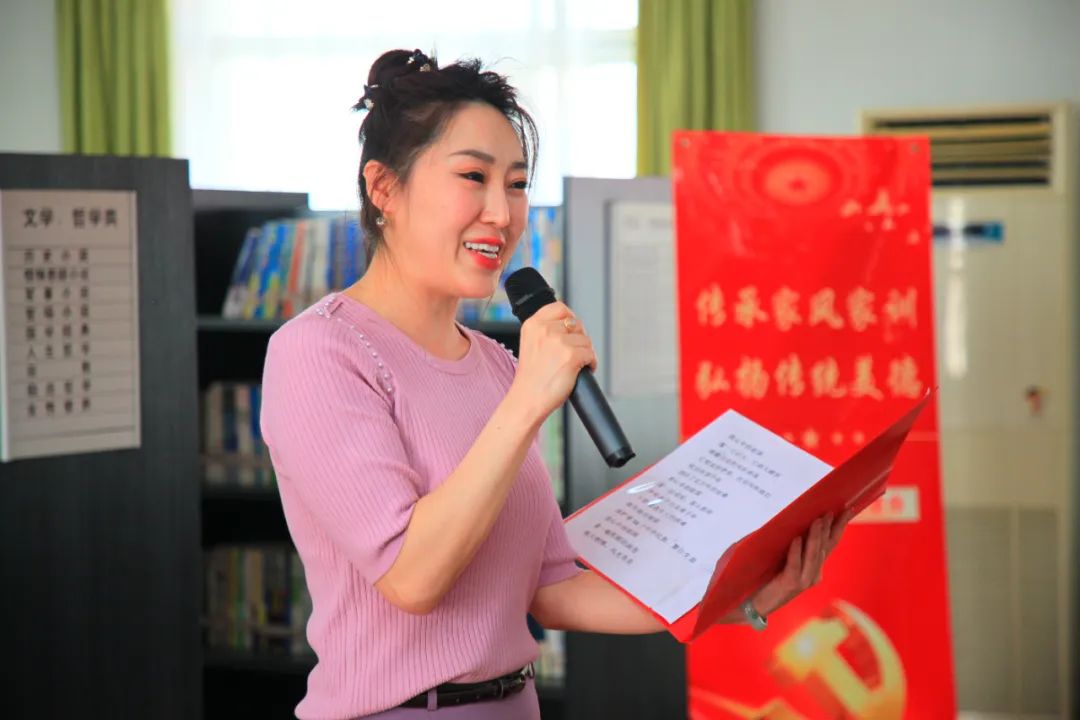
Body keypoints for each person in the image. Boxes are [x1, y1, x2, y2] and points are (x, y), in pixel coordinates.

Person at [259, 48, 852, 720]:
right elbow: (412, 578)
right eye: (473, 177)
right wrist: (527, 402)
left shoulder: (496, 365)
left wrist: (734, 595)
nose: (502, 213)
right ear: (384, 188)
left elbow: (553, 588)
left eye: (516, 184)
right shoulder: (320, 352)